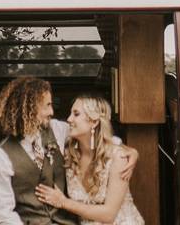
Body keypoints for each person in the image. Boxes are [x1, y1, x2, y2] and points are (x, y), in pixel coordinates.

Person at [0, 77, 138, 225]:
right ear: (29, 108)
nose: (51, 111)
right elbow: (4, 215)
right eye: (47, 105)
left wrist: (130, 151)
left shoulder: (57, 130)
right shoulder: (0, 156)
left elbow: (96, 136)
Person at [34, 95, 144, 225]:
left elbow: (109, 214)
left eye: (76, 114)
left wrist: (63, 202)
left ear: (94, 122)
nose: (69, 119)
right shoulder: (68, 153)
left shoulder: (117, 158)